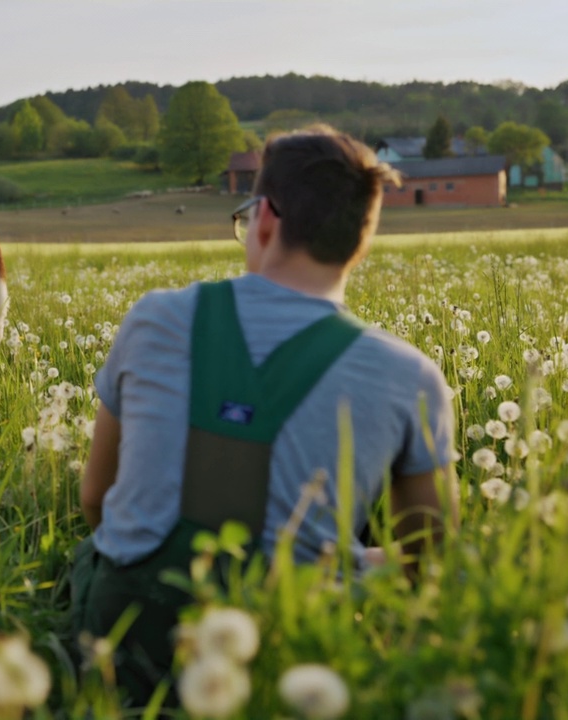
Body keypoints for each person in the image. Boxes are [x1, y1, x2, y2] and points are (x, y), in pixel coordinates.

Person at [70, 125, 457, 705]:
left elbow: (97, 499)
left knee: (85, 556)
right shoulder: (411, 376)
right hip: (287, 654)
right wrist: (356, 561)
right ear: (360, 241)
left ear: (266, 220)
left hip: (128, 645)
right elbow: (427, 553)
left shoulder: (155, 318)